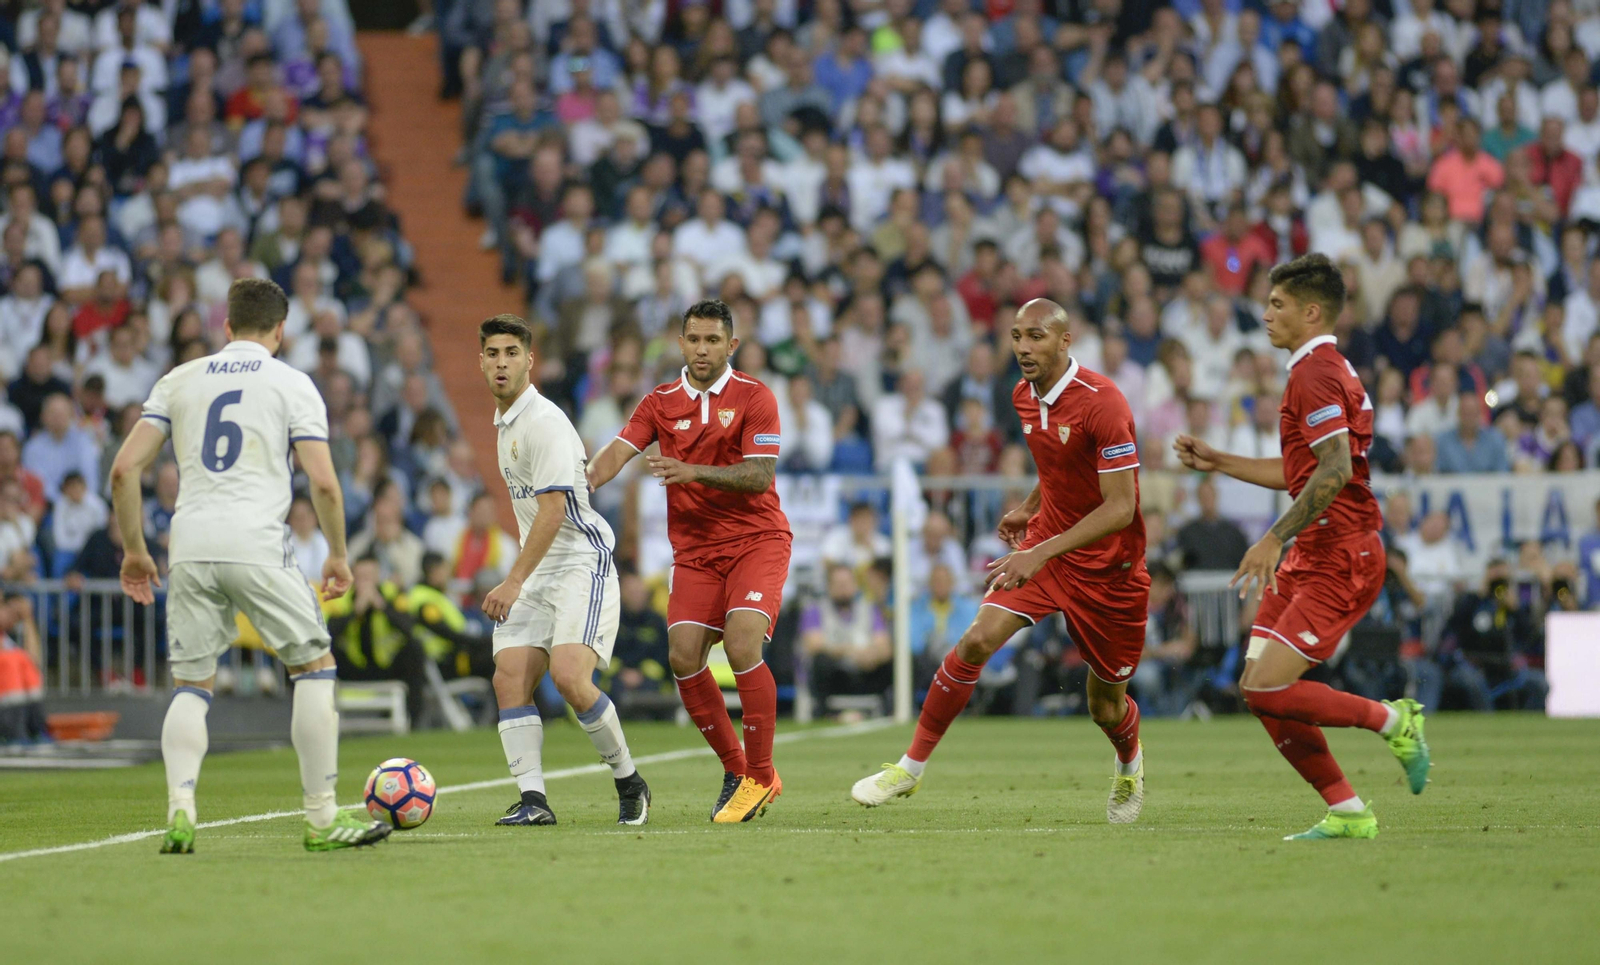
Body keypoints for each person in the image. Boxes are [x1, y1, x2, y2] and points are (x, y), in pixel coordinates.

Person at [110, 277, 390, 854]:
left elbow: (122, 469)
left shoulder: (178, 380)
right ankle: (320, 818)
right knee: (314, 666)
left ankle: (181, 810)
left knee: (192, 685)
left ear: (227, 325)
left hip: (188, 544)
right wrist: (338, 553)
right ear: (281, 330)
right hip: (257, 541)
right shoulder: (292, 384)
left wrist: (136, 549)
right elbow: (323, 481)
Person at [851, 298, 1151, 824]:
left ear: (1065, 340)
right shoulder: (1022, 395)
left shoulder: (1104, 403)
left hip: (1111, 570)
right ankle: (910, 768)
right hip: (1050, 550)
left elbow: (1121, 507)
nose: (1023, 348)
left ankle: (1129, 762)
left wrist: (1038, 550)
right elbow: (1061, 467)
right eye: (1015, 336)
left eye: (1035, 336)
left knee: (1105, 706)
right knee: (975, 639)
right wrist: (1029, 509)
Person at [1174, 254, 1430, 841]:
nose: (1265, 314)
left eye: (1278, 305)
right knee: (1260, 693)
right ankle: (1346, 810)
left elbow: (1335, 471)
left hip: (1341, 555)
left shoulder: (1314, 373)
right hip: (1312, 554)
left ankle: (1395, 721)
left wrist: (1272, 536)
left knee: (1269, 688)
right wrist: (1220, 460)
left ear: (1311, 312)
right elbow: (1305, 472)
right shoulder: (1321, 368)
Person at [587, 298, 792, 823]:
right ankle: (735, 769)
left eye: (713, 341)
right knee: (682, 656)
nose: (702, 349)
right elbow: (616, 452)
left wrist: (692, 471)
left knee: (744, 643)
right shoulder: (659, 402)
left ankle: (762, 777)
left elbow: (760, 475)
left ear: (732, 346)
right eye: (694, 340)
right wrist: (576, 486)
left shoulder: (755, 397)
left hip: (756, 539)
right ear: (680, 343)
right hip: (697, 552)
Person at [477, 314, 649, 828]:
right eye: (493, 353)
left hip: (579, 561)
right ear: (481, 361)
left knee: (570, 678)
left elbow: (553, 512)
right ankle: (534, 800)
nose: (501, 362)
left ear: (530, 361)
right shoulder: (505, 422)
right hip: (539, 564)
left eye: (512, 353)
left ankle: (629, 781)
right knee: (509, 677)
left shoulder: (544, 423)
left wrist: (512, 580)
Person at [800, 563, 893, 710]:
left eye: (847, 583)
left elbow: (885, 647)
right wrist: (851, 652)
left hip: (865, 672)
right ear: (829, 586)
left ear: (855, 585)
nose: (843, 588)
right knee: (820, 661)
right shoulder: (815, 610)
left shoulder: (870, 609)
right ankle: (823, 712)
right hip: (835, 675)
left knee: (894, 663)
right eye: (838, 584)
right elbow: (813, 645)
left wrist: (872, 655)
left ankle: (891, 711)